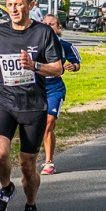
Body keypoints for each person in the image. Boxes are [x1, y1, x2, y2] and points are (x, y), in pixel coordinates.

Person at [0, 0, 63, 211]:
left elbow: (57, 68)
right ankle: (6, 188)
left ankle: (31, 206)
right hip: (6, 102)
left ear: (31, 5)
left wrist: (34, 65)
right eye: (9, 4)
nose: (13, 9)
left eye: (18, 4)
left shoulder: (44, 33)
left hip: (34, 106)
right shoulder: (0, 31)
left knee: (27, 164)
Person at [40, 14, 80, 174]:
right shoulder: (33, 44)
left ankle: (49, 162)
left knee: (48, 123)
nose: (48, 27)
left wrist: (73, 67)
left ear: (58, 28)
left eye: (52, 24)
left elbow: (76, 62)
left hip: (54, 89)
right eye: (45, 24)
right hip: (35, 88)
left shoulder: (64, 45)